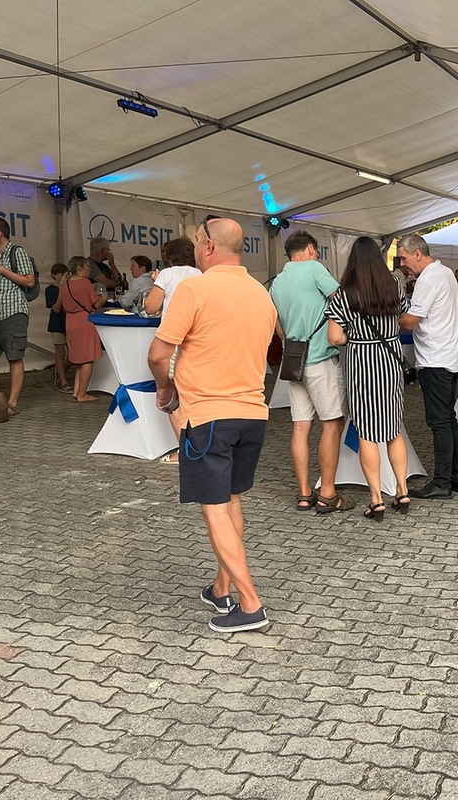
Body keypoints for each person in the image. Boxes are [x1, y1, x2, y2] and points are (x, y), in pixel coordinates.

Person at [148, 216, 277, 633]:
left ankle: (250, 604)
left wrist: (165, 388)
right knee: (231, 500)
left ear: (207, 246)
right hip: (253, 413)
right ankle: (222, 587)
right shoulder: (261, 294)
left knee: (215, 509)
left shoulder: (195, 290)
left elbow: (157, 354)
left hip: (208, 416)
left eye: (197, 240)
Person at [326, 237, 412, 521]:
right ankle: (402, 490)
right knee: (394, 430)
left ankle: (376, 499)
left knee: (367, 433)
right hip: (390, 362)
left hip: (362, 364)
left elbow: (334, 336)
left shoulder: (344, 293)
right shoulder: (394, 285)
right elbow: (403, 316)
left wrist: (354, 336)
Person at [269, 230, 353, 512]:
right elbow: (342, 301)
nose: (316, 255)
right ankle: (328, 492)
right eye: (315, 251)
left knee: (300, 426)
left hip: (293, 361)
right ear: (308, 249)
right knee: (332, 423)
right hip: (320, 358)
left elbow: (279, 328)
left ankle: (304, 493)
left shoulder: (277, 282)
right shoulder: (315, 269)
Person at [397, 233, 458, 499]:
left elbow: (409, 322)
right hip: (450, 357)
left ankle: (441, 482)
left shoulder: (427, 279)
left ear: (417, 253)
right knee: (449, 419)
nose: (402, 264)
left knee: (439, 423)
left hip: (434, 359)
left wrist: (386, 315)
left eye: (403, 258)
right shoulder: (446, 272)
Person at [145, 237, 200, 465]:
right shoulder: (202, 275)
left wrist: (156, 281)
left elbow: (150, 307)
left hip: (174, 340)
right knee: (195, 395)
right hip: (199, 341)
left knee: (173, 397)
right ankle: (200, 446)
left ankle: (184, 451)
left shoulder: (167, 275)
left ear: (169, 257)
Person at [0, 217, 34, 417]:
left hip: (13, 312)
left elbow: (29, 281)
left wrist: (1, 269)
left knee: (14, 357)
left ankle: (12, 403)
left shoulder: (17, 252)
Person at [53, 256, 106, 402]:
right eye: (87, 266)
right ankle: (82, 393)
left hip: (70, 321)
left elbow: (61, 307)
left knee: (80, 359)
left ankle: (77, 392)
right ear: (80, 268)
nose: (89, 269)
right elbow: (95, 304)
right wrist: (102, 299)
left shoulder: (65, 285)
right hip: (85, 321)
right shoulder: (85, 283)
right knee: (88, 359)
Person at [45, 263, 71, 394]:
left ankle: (60, 373)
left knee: (72, 354)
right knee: (60, 352)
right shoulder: (51, 290)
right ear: (55, 275)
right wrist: (61, 289)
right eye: (61, 274)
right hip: (57, 323)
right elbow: (56, 308)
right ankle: (63, 380)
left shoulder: (69, 288)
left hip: (69, 322)